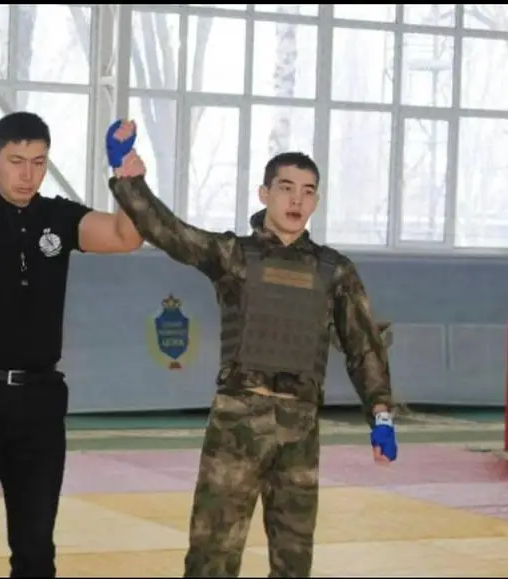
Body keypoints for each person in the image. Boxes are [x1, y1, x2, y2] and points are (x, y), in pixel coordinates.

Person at [105, 129, 399, 578]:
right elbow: (172, 234)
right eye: (286, 188)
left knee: (294, 562)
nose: (296, 200)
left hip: (300, 430)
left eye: (308, 191)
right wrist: (130, 182)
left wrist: (381, 414)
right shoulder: (234, 256)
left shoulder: (335, 271)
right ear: (265, 194)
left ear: (317, 201)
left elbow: (363, 345)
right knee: (212, 557)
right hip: (236, 425)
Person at [0, 111, 143, 578]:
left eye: (38, 162)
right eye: (16, 161)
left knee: (36, 545)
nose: (27, 174)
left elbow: (126, 237)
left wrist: (126, 179)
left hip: (39, 400)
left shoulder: (59, 216)